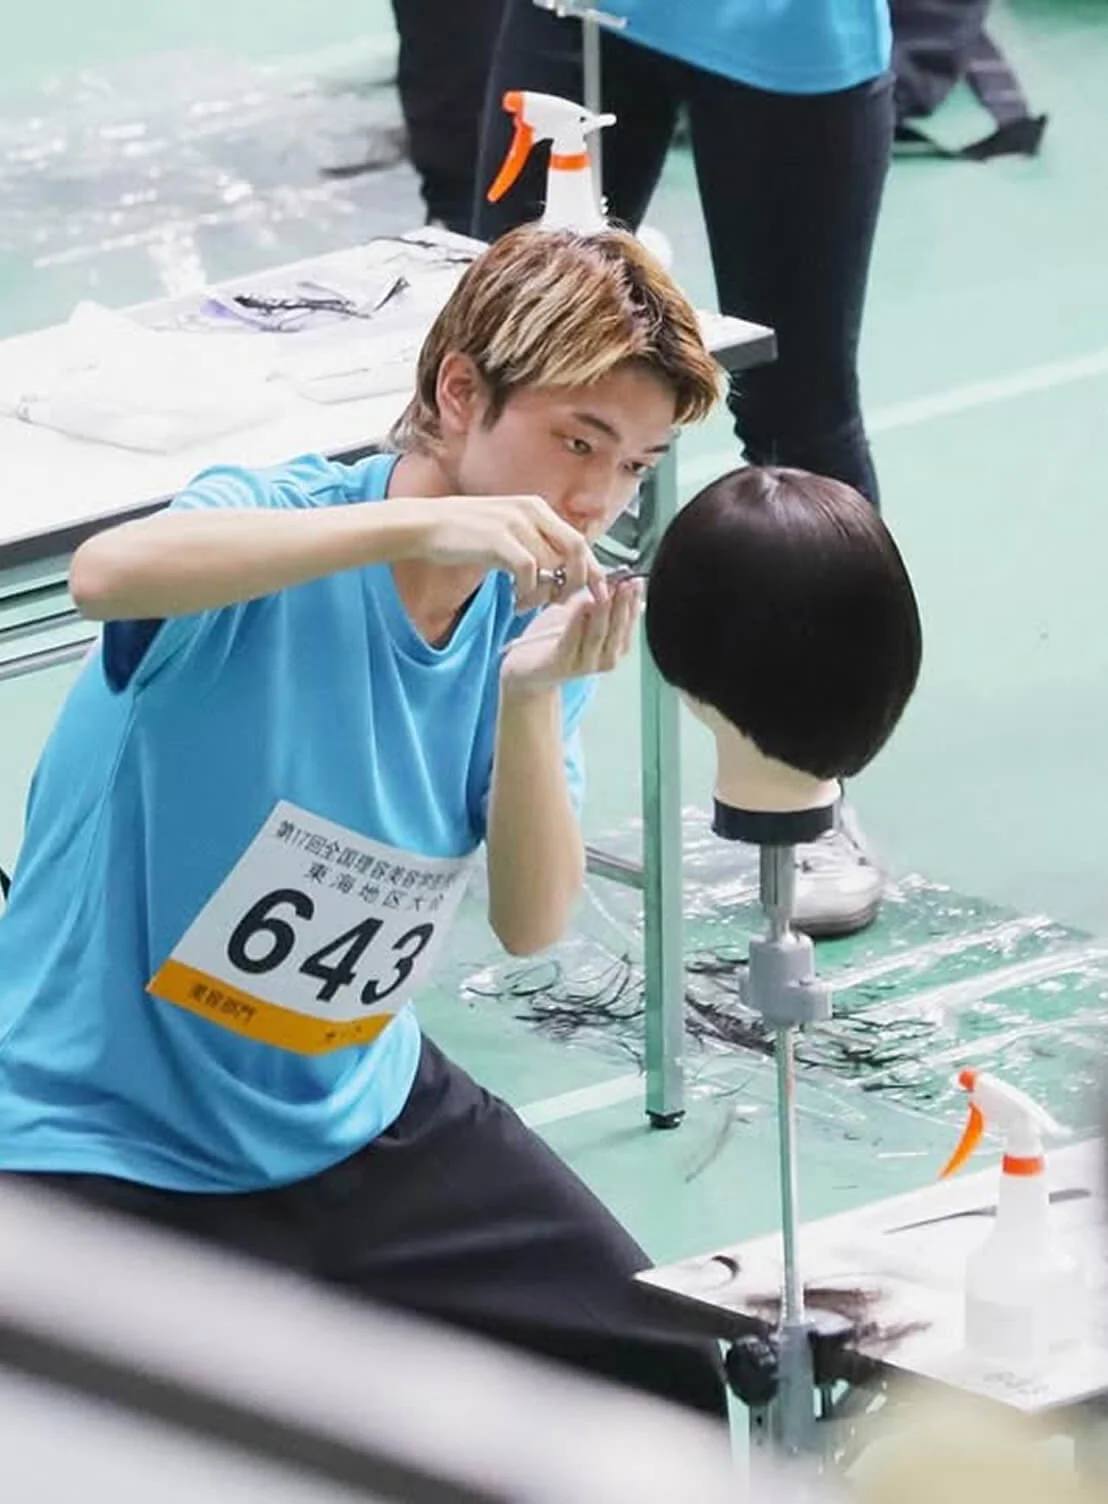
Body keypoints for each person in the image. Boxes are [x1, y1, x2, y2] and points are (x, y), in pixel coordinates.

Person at [0, 225, 727, 1421]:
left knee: (664, 1378)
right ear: (460, 392)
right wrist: (410, 530)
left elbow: (532, 920)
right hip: (97, 1138)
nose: (597, 499)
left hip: (357, 1113)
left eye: (635, 465)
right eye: (576, 441)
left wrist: (530, 699)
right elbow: (108, 573)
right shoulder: (276, 521)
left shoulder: (530, 620)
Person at [472, 0, 898, 938]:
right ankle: (453, 747)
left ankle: (801, 779)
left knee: (799, 415)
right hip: (579, 18)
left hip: (790, 33)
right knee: (505, 371)